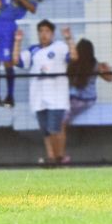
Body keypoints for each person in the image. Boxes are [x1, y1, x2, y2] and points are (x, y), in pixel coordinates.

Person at [13, 19, 77, 166]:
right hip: (39, 96)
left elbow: (73, 57)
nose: (44, 34)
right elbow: (16, 61)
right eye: (41, 31)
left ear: (52, 33)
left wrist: (69, 39)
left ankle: (59, 157)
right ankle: (52, 157)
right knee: (46, 131)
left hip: (57, 95)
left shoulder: (60, 47)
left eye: (47, 31)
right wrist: (17, 41)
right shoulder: (33, 50)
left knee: (55, 128)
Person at [63, 38, 112, 151]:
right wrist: (107, 70)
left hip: (77, 99)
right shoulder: (94, 64)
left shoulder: (74, 64)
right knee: (62, 115)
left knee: (62, 120)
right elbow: (110, 78)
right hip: (88, 99)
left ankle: (62, 144)